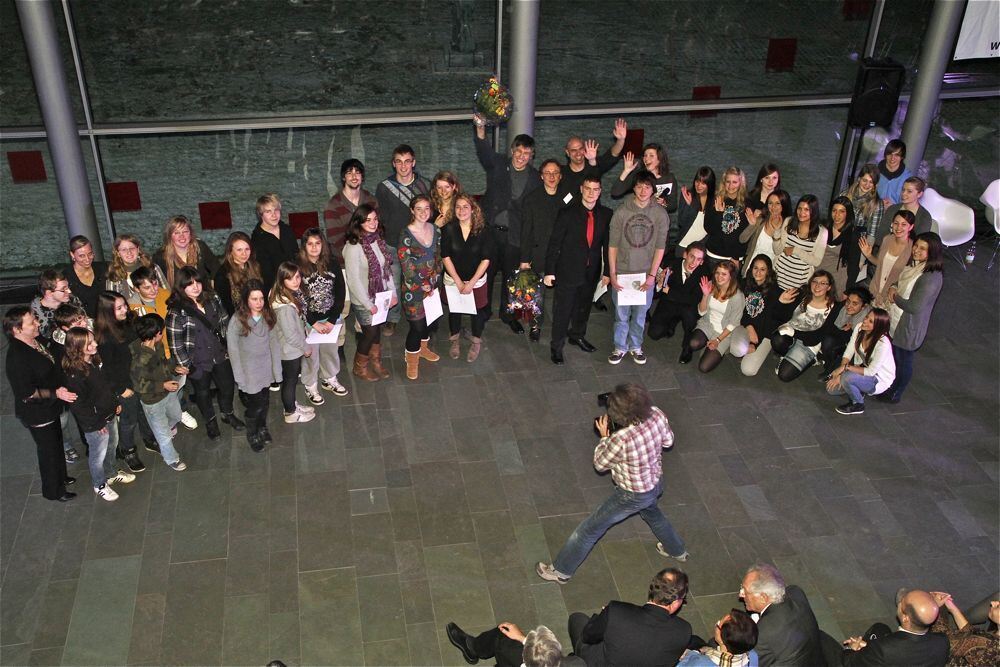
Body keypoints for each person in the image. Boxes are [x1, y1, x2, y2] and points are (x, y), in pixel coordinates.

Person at [536, 383, 687, 584]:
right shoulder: (657, 414)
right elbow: (668, 441)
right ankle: (676, 550)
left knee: (589, 530)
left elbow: (600, 464)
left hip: (631, 494)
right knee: (652, 512)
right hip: (655, 481)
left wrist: (605, 437)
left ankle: (561, 570)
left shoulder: (621, 438)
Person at [473, 119, 540, 332]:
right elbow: (484, 151)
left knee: (512, 278)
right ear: (512, 150)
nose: (521, 156)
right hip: (492, 232)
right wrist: (481, 127)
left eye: (526, 153)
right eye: (518, 151)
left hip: (515, 236)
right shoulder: (499, 164)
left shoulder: (536, 178)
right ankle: (483, 312)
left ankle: (508, 314)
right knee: (487, 274)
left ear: (532, 156)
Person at [4, 307, 77, 502]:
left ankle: (61, 477)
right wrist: (56, 393)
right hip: (38, 412)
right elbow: (27, 393)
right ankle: (53, 490)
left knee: (56, 442)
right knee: (49, 451)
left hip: (51, 406)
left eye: (35, 319)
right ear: (17, 330)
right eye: (31, 323)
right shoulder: (17, 358)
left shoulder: (35, 341)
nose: (37, 323)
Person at [165, 266, 243, 440]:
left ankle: (227, 413)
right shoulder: (176, 311)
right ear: (181, 286)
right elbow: (175, 343)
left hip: (220, 353)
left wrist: (230, 347)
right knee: (202, 393)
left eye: (197, 282)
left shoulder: (213, 298)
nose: (195, 287)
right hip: (197, 360)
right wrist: (186, 365)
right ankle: (211, 422)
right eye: (189, 284)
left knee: (227, 386)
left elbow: (225, 322)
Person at [544, 176, 611, 365]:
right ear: (581, 189)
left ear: (600, 191)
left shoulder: (606, 214)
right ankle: (556, 346)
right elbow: (554, 243)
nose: (591, 193)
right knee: (562, 311)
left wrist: (607, 272)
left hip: (591, 272)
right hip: (567, 271)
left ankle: (577, 336)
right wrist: (550, 271)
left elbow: (607, 245)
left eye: (595, 189)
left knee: (583, 308)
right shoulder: (567, 213)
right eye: (588, 188)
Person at [61, 327, 134, 502]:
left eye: (93, 340)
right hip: (96, 424)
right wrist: (96, 424)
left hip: (108, 414)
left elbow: (106, 386)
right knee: (97, 454)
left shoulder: (94, 360)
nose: (95, 344)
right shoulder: (74, 375)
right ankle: (99, 484)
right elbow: (79, 406)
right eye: (89, 344)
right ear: (77, 348)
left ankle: (111, 472)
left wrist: (114, 404)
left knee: (112, 446)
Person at [567, 568, 693, 666]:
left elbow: (588, 636)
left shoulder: (617, 610)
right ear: (676, 602)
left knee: (577, 619)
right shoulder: (684, 630)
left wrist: (603, 617)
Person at [607, 170, 669, 365]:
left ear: (653, 190)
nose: (643, 190)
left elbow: (660, 247)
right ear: (634, 187)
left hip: (645, 274)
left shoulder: (660, 214)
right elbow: (612, 246)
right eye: (640, 186)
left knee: (641, 315)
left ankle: (635, 346)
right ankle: (619, 347)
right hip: (623, 272)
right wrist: (613, 273)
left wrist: (652, 276)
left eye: (647, 187)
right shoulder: (621, 212)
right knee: (621, 314)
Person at [876, 232, 944, 404]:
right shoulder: (916, 266)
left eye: (923, 249)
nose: (916, 251)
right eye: (916, 246)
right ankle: (889, 384)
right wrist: (893, 288)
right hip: (898, 321)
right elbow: (898, 282)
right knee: (896, 357)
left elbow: (914, 306)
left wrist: (894, 296)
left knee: (903, 361)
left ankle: (895, 392)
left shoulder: (930, 277)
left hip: (908, 327)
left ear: (932, 252)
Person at [375, 144, 430, 335]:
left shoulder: (425, 185)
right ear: (393, 164)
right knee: (393, 284)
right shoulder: (384, 188)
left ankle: (425, 316)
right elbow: (381, 218)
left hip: (418, 246)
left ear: (413, 162)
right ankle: (393, 317)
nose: (403, 166)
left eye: (407, 161)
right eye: (399, 162)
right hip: (393, 244)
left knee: (420, 281)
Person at [94, 291, 148, 473]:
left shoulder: (128, 322)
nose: (125, 309)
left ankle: (148, 439)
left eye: (124, 305)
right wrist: (121, 389)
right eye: (119, 308)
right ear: (108, 312)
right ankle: (128, 451)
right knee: (128, 420)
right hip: (124, 384)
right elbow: (107, 369)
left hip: (137, 376)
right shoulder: (105, 337)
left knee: (141, 412)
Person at [227, 280, 283, 450]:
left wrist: (277, 371)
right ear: (246, 300)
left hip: (265, 367)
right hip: (248, 370)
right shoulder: (237, 320)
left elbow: (274, 343)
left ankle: (262, 427)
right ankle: (252, 432)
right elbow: (233, 351)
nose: (259, 303)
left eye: (261, 298)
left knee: (265, 401)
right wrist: (239, 377)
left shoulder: (267, 315)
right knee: (256, 404)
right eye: (254, 299)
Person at [344, 204, 398, 380]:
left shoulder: (377, 240)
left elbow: (385, 270)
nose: (373, 223)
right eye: (368, 220)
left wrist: (393, 293)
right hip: (363, 299)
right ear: (358, 222)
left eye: (375, 219)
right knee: (370, 333)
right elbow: (353, 281)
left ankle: (376, 362)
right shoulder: (353, 247)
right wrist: (368, 304)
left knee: (377, 331)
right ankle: (359, 367)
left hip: (380, 295)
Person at [828, 588, 949, 667]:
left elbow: (849, 662)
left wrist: (852, 649)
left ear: (906, 618)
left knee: (823, 641)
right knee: (880, 628)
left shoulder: (884, 649)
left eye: (903, 602)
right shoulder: (943, 642)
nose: (900, 600)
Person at [131, 314, 188, 471]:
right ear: (155, 334)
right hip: (153, 401)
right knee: (163, 434)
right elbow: (140, 386)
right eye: (161, 332)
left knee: (176, 416)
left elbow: (164, 363)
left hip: (167, 393)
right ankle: (172, 459)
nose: (163, 335)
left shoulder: (158, 345)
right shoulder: (140, 359)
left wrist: (174, 368)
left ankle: (163, 433)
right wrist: (163, 385)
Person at [441, 194, 494, 362]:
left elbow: (486, 259)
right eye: (458, 207)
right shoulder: (449, 228)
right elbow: (445, 256)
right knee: (454, 311)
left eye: (465, 207)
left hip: (476, 280)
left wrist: (471, 283)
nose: (461, 210)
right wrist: (457, 281)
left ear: (473, 209)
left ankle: (476, 341)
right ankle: (454, 340)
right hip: (453, 279)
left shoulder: (483, 229)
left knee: (477, 312)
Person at [740, 564, 824, 667]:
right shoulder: (795, 592)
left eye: (746, 591)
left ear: (763, 597)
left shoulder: (764, 631)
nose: (741, 594)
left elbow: (753, 663)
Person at [298, 228, 349, 398]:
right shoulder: (298, 266)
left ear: (323, 245)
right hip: (310, 321)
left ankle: (329, 377)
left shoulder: (332, 263)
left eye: (317, 243)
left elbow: (340, 292)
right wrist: (313, 323)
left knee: (330, 351)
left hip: (330, 318)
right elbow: (298, 298)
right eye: (310, 244)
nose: (314, 248)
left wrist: (332, 320)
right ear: (304, 246)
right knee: (311, 354)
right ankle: (310, 384)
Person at [520, 159, 567, 342]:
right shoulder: (532, 199)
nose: (552, 176)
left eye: (555, 172)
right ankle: (536, 325)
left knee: (561, 294)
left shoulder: (568, 197)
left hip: (562, 255)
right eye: (547, 173)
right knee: (537, 294)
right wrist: (524, 259)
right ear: (541, 176)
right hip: (539, 254)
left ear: (560, 176)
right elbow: (526, 231)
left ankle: (560, 323)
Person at [397, 195, 443, 380]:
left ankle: (423, 349)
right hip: (412, 289)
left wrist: (432, 281)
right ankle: (411, 359)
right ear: (412, 211)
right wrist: (421, 284)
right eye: (419, 208)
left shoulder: (436, 230)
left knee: (428, 322)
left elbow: (439, 257)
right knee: (416, 327)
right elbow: (405, 264)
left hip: (431, 287)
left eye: (427, 208)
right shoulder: (405, 234)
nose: (423, 212)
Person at [770, 270, 840, 382]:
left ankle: (813, 359)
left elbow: (818, 337)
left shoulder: (834, 308)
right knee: (777, 339)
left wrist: (794, 333)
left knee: (784, 376)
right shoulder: (801, 295)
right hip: (790, 333)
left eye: (823, 283)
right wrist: (780, 302)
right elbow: (777, 317)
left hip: (809, 343)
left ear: (829, 287)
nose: (817, 286)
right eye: (815, 281)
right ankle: (786, 355)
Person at [270, 261, 317, 423]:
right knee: (290, 381)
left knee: (290, 380)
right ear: (282, 281)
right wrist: (305, 348)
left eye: (297, 277)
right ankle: (290, 413)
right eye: (290, 279)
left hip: (290, 348)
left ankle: (291, 405)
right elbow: (290, 335)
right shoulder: (285, 308)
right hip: (289, 350)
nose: (296, 281)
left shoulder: (288, 296)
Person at [826, 308, 895, 415]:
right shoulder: (859, 327)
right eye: (867, 317)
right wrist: (841, 371)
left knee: (846, 377)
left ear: (878, 327)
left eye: (871, 321)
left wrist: (844, 370)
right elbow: (849, 351)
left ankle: (857, 404)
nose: (865, 321)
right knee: (832, 390)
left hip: (878, 379)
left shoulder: (883, 344)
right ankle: (858, 387)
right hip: (862, 369)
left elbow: (871, 372)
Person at [681, 260, 746, 371]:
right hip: (707, 324)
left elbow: (733, 324)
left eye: (724, 274)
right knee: (693, 343)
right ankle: (706, 345)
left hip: (724, 332)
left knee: (704, 367)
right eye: (717, 273)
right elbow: (701, 312)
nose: (719, 277)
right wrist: (705, 295)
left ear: (731, 276)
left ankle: (722, 349)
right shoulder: (711, 285)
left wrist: (717, 340)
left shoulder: (738, 297)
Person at [729, 255, 783, 377]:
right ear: (751, 268)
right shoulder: (744, 284)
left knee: (748, 370)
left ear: (768, 271)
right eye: (755, 268)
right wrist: (749, 326)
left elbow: (772, 323)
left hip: (764, 335)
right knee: (736, 350)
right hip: (745, 327)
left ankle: (750, 348)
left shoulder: (776, 292)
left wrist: (755, 344)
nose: (758, 272)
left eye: (763, 269)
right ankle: (736, 345)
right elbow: (739, 311)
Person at [648, 242, 708, 347]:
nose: (694, 262)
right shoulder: (671, 264)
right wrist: (659, 284)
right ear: (685, 255)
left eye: (698, 259)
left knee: (690, 319)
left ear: (702, 262)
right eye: (692, 256)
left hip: (687, 307)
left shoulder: (704, 273)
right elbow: (655, 295)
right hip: (669, 303)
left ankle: (686, 348)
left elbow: (694, 300)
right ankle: (672, 322)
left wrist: (669, 292)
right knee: (654, 334)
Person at [446, 622, 584, 667]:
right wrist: (523, 639)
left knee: (502, 636)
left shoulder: (511, 653)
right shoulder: (577, 663)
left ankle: (473, 648)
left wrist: (521, 639)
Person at [324, 158, 377, 263]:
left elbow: (378, 230)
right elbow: (335, 240)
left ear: (362, 177)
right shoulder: (333, 205)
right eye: (349, 173)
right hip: (345, 262)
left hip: (372, 261)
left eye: (357, 173)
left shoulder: (372, 200)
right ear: (343, 177)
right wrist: (359, 256)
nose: (354, 177)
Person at [773, 195, 828, 291]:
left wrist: (795, 250)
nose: (802, 212)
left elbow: (816, 261)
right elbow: (777, 251)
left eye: (807, 209)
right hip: (777, 277)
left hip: (798, 284)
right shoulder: (788, 221)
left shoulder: (822, 232)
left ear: (813, 211)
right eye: (800, 208)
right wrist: (777, 232)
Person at [861, 209, 915, 309]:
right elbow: (880, 264)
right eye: (896, 223)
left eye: (904, 224)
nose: (899, 227)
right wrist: (868, 255)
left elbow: (908, 277)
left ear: (911, 227)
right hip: (874, 291)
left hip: (891, 298)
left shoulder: (912, 248)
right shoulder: (887, 239)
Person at [929, 592, 999, 667]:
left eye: (998, 606)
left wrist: (936, 607)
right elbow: (971, 633)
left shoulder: (987, 647)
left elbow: (944, 639)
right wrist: (952, 608)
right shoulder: (992, 639)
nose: (993, 602)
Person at [818, 286, 873, 378]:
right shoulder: (841, 307)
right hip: (844, 338)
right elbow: (829, 327)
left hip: (858, 350)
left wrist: (850, 330)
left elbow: (858, 345)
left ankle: (835, 371)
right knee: (828, 340)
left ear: (864, 306)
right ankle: (829, 366)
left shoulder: (868, 319)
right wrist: (845, 329)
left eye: (854, 304)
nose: (849, 306)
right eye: (848, 301)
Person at [561, 118, 626, 196]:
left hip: (594, 208)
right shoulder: (561, 172)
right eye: (573, 150)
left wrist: (621, 140)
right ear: (567, 152)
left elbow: (613, 154)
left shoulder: (595, 164)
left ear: (584, 149)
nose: (578, 153)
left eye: (580, 149)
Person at [153, 215, 219, 290]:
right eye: (177, 233)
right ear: (170, 236)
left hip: (203, 296)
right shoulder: (161, 256)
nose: (182, 236)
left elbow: (217, 270)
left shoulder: (200, 247)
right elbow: (157, 284)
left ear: (190, 233)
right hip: (177, 298)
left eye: (185, 231)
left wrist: (213, 289)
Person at [611, 142, 679, 214]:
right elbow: (615, 192)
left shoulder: (669, 178)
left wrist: (664, 204)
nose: (647, 158)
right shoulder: (639, 176)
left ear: (660, 159)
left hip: (659, 220)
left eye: (651, 156)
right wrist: (626, 171)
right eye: (645, 156)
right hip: (639, 218)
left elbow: (673, 205)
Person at [250, 193, 299, 292]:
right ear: (261, 214)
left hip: (296, 283)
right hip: (274, 289)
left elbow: (296, 256)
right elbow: (265, 272)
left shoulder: (287, 229)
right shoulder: (257, 239)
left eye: (276, 210)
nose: (274, 215)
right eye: (268, 211)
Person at [703, 167, 750, 266]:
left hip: (736, 258)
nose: (730, 186)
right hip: (715, 255)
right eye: (728, 181)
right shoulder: (715, 200)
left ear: (741, 183)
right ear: (724, 182)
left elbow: (744, 235)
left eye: (734, 182)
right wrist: (719, 214)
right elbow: (709, 229)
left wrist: (736, 256)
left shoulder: (748, 203)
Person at [678, 609, 759, 667]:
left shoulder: (700, 663)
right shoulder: (752, 656)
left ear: (722, 639)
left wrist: (691, 654)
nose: (717, 623)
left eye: (719, 623)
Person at [106, 234, 167, 306]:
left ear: (138, 249)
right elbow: (111, 305)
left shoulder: (153, 268)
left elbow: (167, 292)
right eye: (124, 249)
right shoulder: (114, 276)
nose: (129, 252)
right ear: (118, 253)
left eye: (132, 248)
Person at [819, 196, 862, 298]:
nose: (837, 215)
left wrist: (848, 290)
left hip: (837, 281)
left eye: (842, 211)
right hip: (817, 276)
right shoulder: (823, 228)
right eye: (834, 210)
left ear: (848, 213)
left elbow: (853, 265)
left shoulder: (853, 235)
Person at [740, 190, 791, 274]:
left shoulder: (788, 227)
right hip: (751, 268)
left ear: (784, 205)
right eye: (770, 203)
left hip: (771, 273)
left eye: (777, 203)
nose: (773, 206)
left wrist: (777, 230)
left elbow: (778, 251)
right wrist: (752, 224)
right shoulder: (761, 220)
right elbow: (742, 239)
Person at [214, 231, 263, 316]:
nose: (244, 254)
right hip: (238, 318)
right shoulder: (223, 275)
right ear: (230, 251)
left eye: (247, 249)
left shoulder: (255, 266)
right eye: (239, 250)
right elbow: (226, 306)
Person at [31, 268, 85, 341]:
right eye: (63, 289)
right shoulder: (35, 314)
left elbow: (84, 317)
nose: (69, 291)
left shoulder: (71, 299)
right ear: (49, 293)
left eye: (68, 286)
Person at [877, 176, 934, 242]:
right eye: (903, 190)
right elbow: (880, 236)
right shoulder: (892, 209)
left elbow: (918, 243)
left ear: (919, 194)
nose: (904, 194)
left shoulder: (924, 217)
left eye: (909, 191)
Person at [841, 164, 884, 248]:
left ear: (875, 185)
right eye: (864, 180)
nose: (867, 185)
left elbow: (871, 236)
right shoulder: (844, 195)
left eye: (871, 182)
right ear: (859, 179)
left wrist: (862, 259)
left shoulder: (877, 204)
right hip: (838, 240)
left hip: (856, 245)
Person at [65, 235, 109, 318]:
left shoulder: (103, 268)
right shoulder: (66, 277)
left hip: (107, 319)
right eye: (81, 256)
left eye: (90, 254)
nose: (87, 259)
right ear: (72, 255)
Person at [676, 167, 716, 250]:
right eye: (697, 181)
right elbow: (681, 222)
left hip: (702, 248)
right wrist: (690, 206)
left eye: (703, 183)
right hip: (684, 245)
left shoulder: (715, 201)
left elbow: (713, 228)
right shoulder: (688, 195)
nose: (699, 185)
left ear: (710, 184)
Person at [876, 138, 912, 206]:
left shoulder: (908, 177)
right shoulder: (874, 170)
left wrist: (893, 207)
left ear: (902, 157)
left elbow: (909, 203)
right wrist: (877, 203)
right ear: (885, 155)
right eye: (890, 154)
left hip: (895, 213)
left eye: (897, 155)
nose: (892, 158)